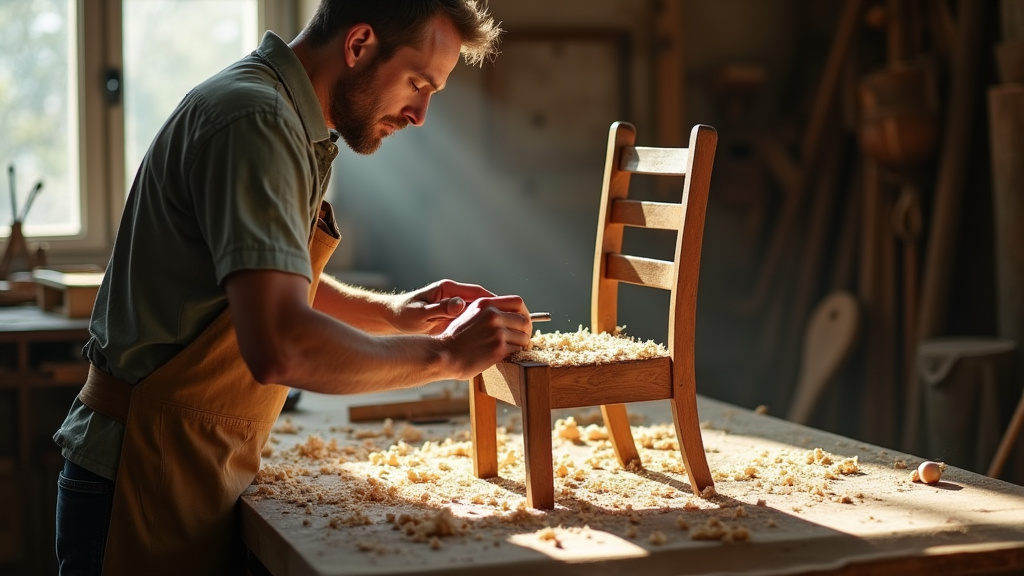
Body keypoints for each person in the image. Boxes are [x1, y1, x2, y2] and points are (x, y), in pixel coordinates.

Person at [52, 2, 527, 574]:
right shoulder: (257, 121)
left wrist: (394, 314)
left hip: (182, 453)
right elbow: (280, 343)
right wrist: (447, 355)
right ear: (358, 45)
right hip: (140, 467)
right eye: (418, 84)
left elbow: (265, 283)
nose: (421, 114)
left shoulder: (282, 115)